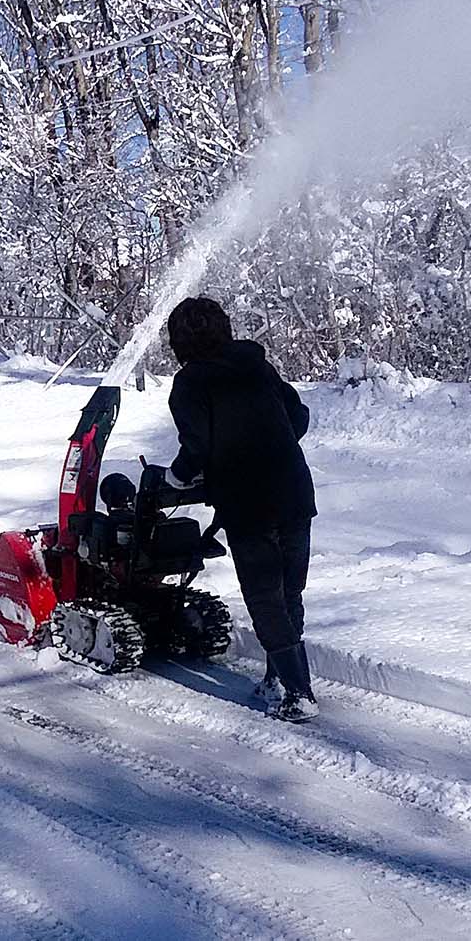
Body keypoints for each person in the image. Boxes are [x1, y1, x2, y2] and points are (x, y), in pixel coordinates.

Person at [163, 297, 320, 722]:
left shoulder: (191, 383)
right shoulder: (257, 366)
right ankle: (277, 679)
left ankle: (298, 693)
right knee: (289, 590)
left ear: (180, 340)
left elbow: (197, 447)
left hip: (250, 504)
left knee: (265, 597)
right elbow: (298, 416)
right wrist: (273, 445)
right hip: (293, 492)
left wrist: (176, 478)